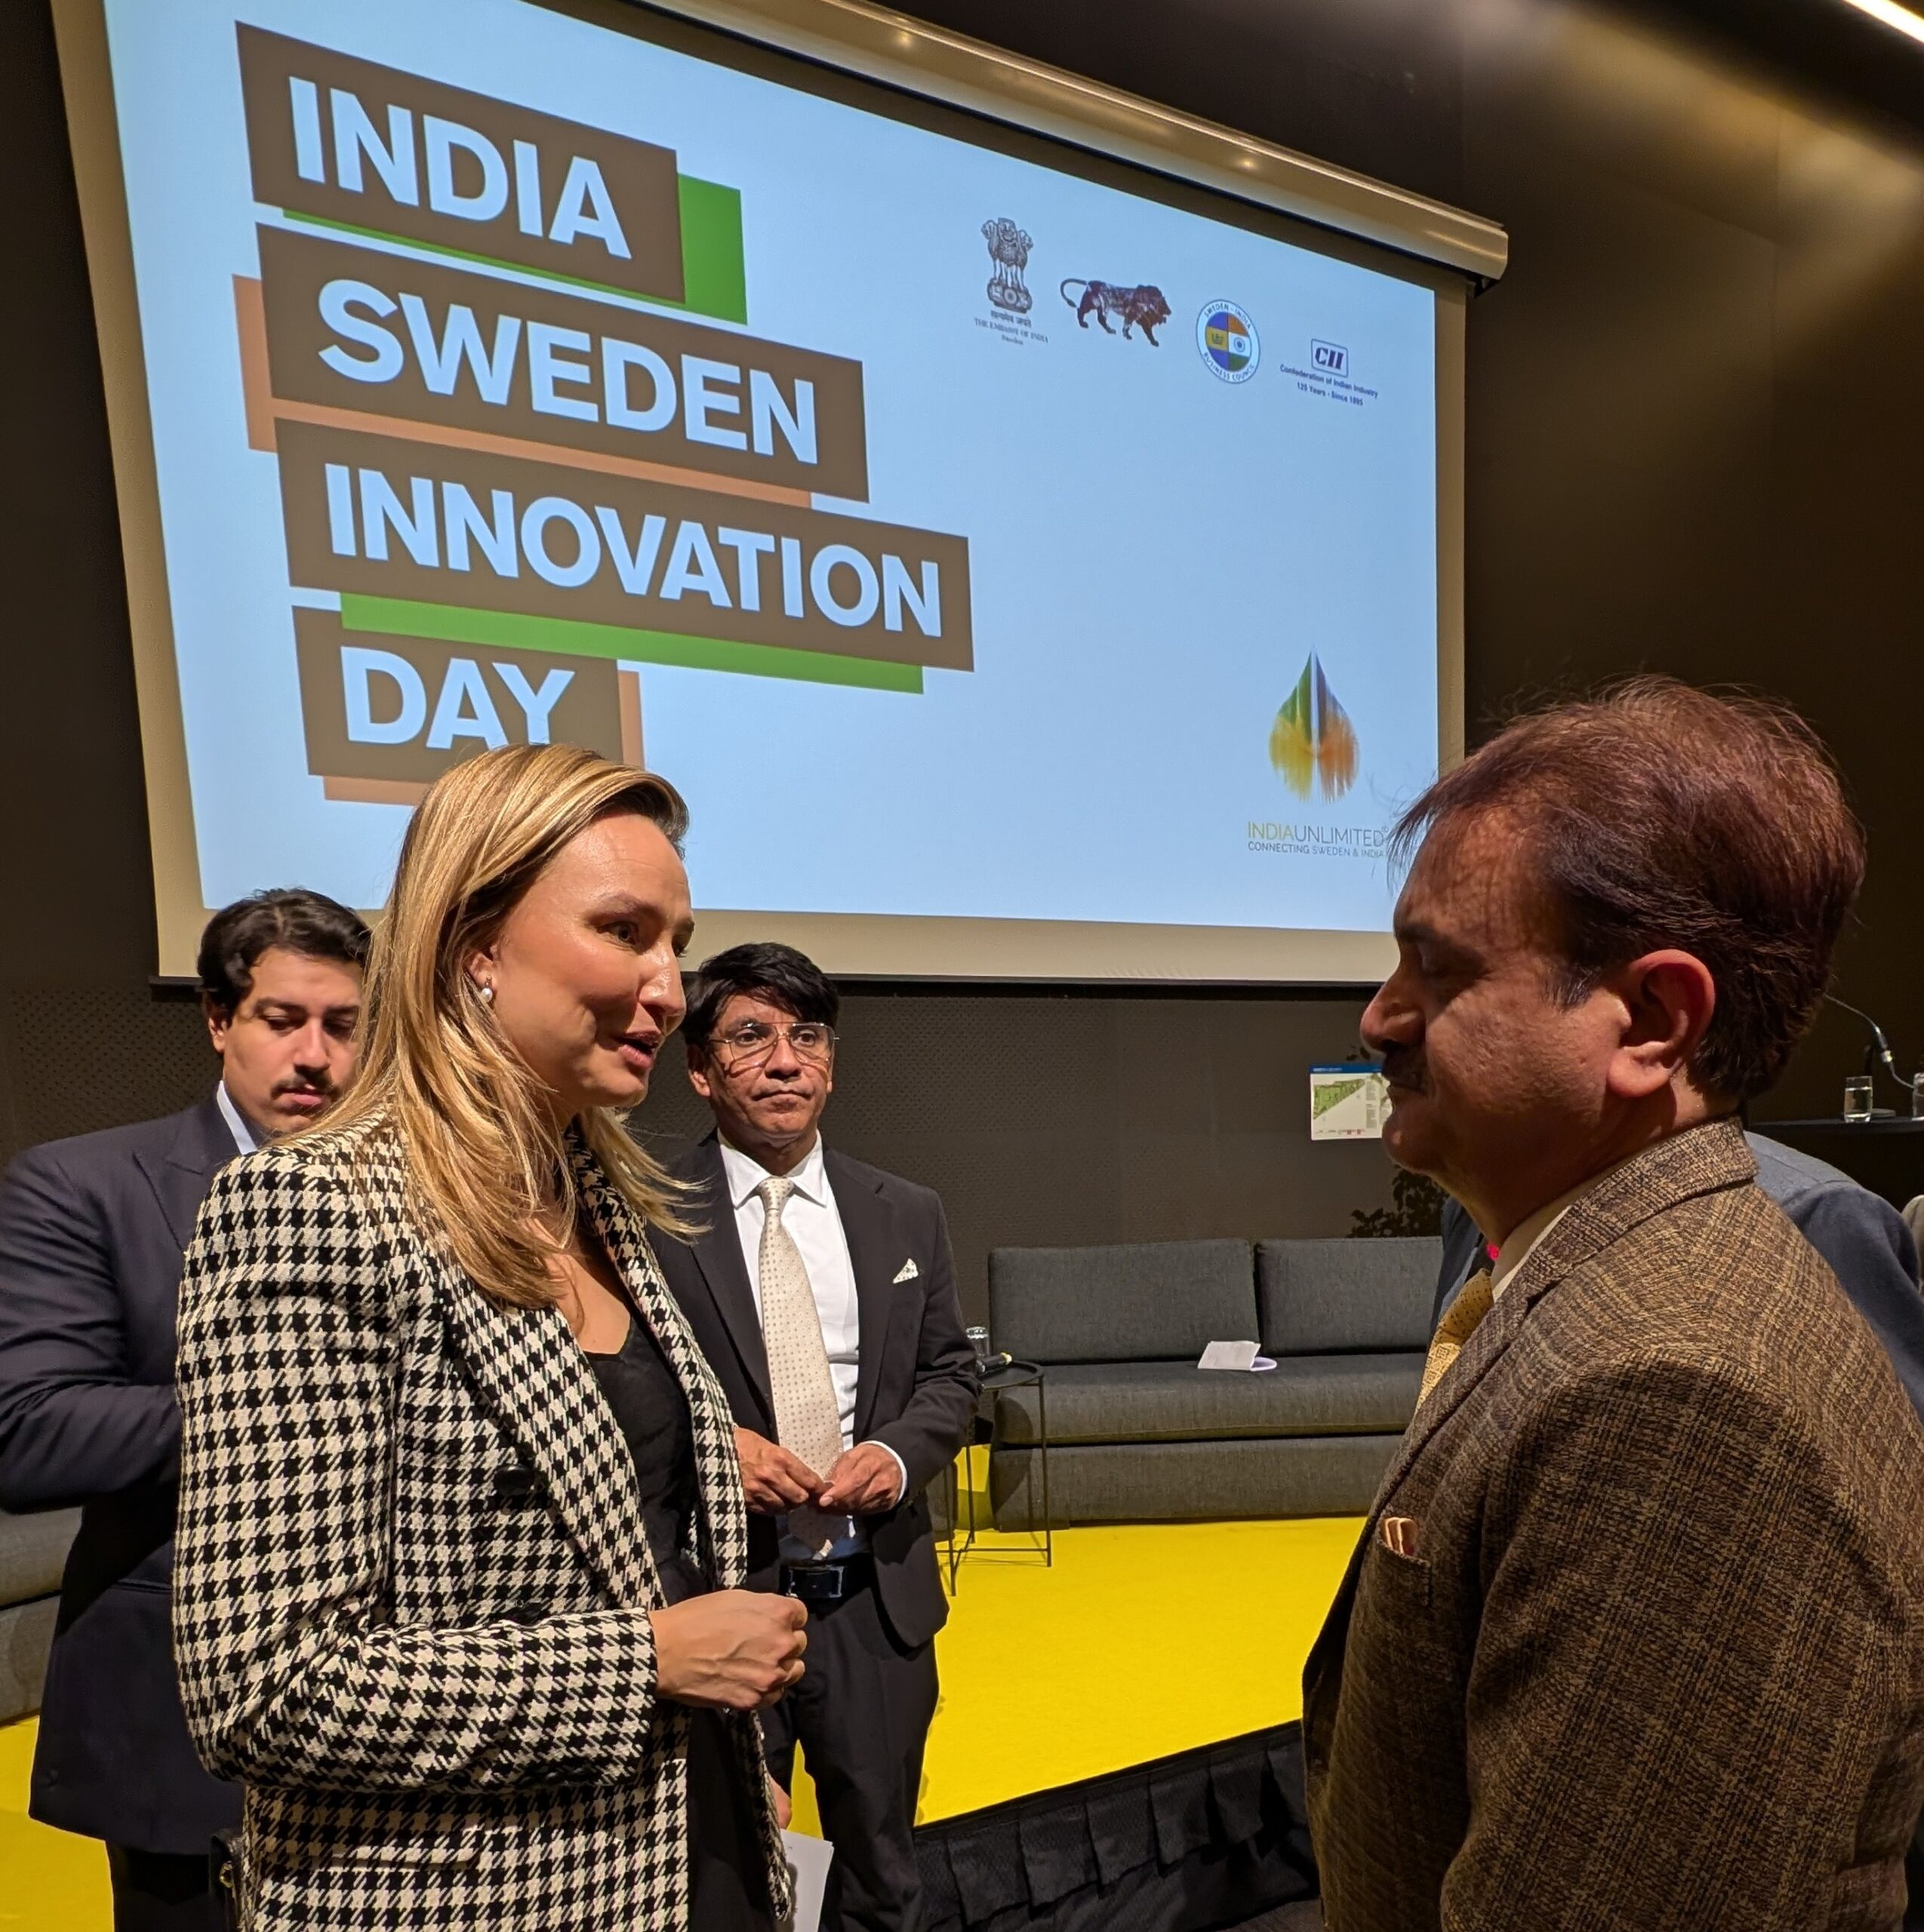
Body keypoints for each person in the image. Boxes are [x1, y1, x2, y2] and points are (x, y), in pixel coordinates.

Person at [1304, 679, 1924, 1931]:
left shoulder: (1677, 1398)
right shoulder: (1618, 1278)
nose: (1377, 1018)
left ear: (1651, 1021)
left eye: (1438, 967)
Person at [171, 746, 805, 1932]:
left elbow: (639, 1549)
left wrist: (719, 1764)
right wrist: (645, 1666)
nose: (670, 989)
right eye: (623, 931)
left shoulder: (599, 1199)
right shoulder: (310, 1209)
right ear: (472, 946)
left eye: (675, 942)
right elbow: (266, 1688)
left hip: (687, 1848)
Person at [0, 888, 368, 1931]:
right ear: (218, 1019)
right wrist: (303, 1416)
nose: (315, 1056)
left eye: (343, 1026)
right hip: (178, 1710)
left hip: (393, 1706)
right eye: (282, 1019)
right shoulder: (83, 1185)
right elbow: (29, 1429)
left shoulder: (422, 1196)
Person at [648, 942, 977, 1932]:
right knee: (728, 1875)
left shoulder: (906, 1212)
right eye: (751, 1036)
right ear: (700, 1069)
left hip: (873, 1600)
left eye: (806, 1036)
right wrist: (718, 1450)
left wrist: (897, 1455)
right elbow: (615, 1396)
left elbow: (950, 1375)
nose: (785, 1060)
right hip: (717, 1596)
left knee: (883, 1869)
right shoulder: (643, 1212)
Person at [1431, 1138, 1924, 1417]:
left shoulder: (1814, 1214)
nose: (1395, 1026)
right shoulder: (1468, 1212)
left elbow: (1896, 1477)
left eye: (1450, 992)